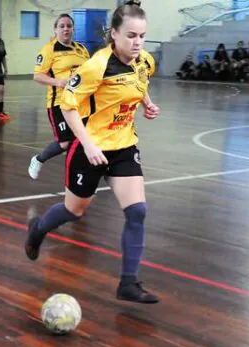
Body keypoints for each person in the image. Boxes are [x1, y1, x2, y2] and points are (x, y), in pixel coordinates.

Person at [25, 1, 160, 304]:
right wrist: (87, 143)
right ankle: (38, 229)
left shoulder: (144, 61)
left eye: (142, 36)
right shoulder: (97, 65)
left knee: (137, 211)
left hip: (123, 147)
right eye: (131, 35)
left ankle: (128, 283)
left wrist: (146, 103)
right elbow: (67, 105)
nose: (137, 42)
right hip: (89, 148)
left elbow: (140, 82)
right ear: (114, 33)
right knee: (74, 210)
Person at [28, 14, 90, 180]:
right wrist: (59, 82)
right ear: (55, 30)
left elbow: (90, 72)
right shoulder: (49, 50)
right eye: (62, 26)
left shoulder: (82, 49)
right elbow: (38, 76)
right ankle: (39, 159)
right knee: (65, 143)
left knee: (85, 139)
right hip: (58, 104)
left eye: (69, 26)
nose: (66, 29)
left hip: (81, 103)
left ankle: (82, 176)